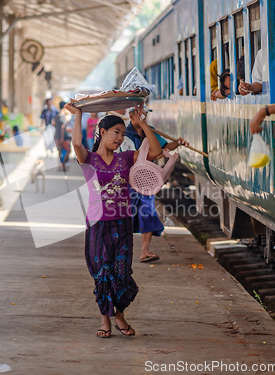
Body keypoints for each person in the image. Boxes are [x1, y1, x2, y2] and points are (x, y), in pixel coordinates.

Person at [65, 102, 164, 338]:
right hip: (98, 223)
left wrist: (142, 124)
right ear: (102, 132)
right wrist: (78, 115)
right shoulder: (88, 159)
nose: (120, 138)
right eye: (116, 132)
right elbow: (76, 143)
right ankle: (105, 320)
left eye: (122, 133)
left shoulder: (127, 158)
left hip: (122, 222)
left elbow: (156, 152)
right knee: (102, 271)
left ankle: (119, 316)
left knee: (121, 272)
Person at [118, 107, 190, 262]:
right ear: (131, 116)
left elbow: (162, 148)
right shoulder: (123, 134)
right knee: (125, 214)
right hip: (128, 179)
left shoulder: (149, 131)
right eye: (139, 114)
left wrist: (177, 143)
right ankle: (121, 250)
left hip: (146, 179)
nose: (143, 116)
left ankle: (145, 251)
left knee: (147, 211)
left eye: (145, 113)